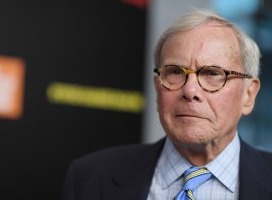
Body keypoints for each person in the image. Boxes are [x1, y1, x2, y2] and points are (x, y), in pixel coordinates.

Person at [61, 9, 272, 200]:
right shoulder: (90, 177)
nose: (190, 91)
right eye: (175, 72)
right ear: (157, 87)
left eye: (213, 74)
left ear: (249, 95)